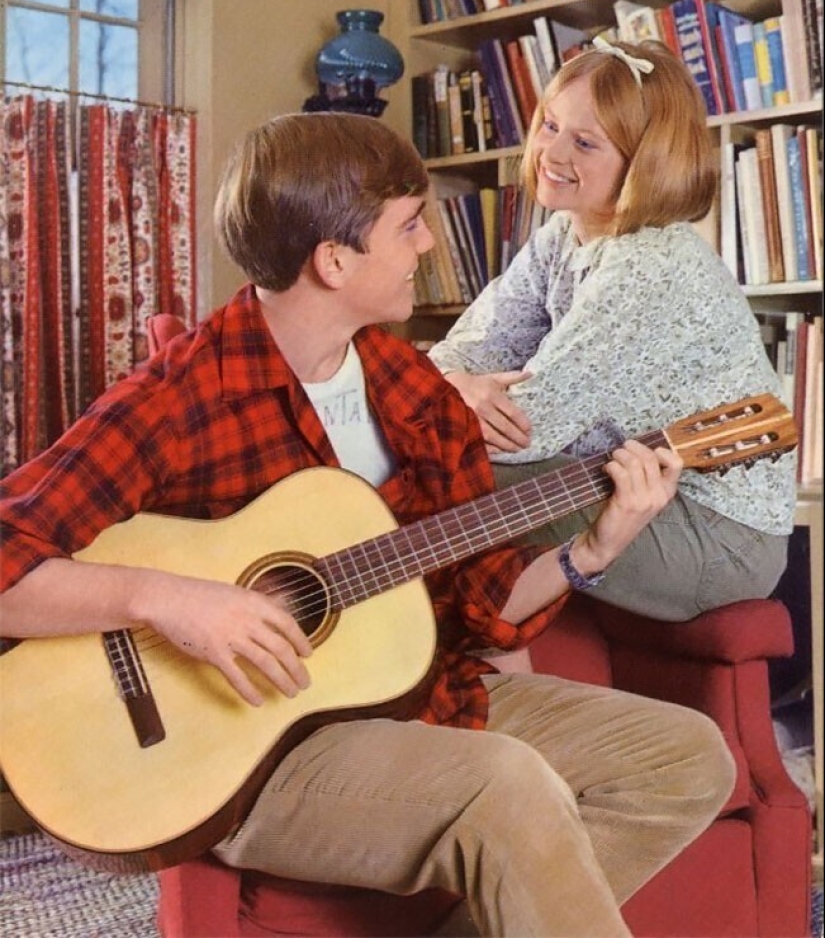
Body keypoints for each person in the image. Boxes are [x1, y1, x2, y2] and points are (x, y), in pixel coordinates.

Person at [0, 112, 734, 937]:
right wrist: (171, 601)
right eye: (409, 224)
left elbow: (471, 598)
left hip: (418, 700)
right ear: (334, 259)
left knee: (684, 758)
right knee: (500, 781)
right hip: (252, 756)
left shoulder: (415, 393)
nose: (428, 245)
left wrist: (593, 549)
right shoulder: (182, 398)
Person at [428, 38, 797, 623]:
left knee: (450, 470)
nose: (551, 151)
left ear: (643, 165)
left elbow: (526, 428)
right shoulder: (562, 234)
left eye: (585, 142)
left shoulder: (647, 266)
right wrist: (456, 381)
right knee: (432, 458)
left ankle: (454, 665)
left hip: (719, 535)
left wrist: (449, 396)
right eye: (549, 124)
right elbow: (466, 348)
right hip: (633, 487)